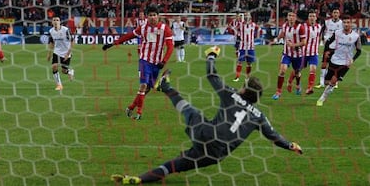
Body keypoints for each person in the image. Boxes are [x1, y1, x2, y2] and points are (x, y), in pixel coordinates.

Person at [110, 46, 303, 185]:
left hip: (206, 134)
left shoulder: (232, 95)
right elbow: (274, 136)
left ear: (245, 90)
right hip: (217, 154)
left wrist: (211, 55)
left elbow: (212, 76)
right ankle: (139, 179)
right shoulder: (259, 116)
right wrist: (290, 145)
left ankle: (165, 86)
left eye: (243, 86)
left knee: (189, 110)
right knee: (176, 165)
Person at [102, 4, 174, 120]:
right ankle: (139, 113)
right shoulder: (143, 27)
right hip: (144, 60)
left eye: (154, 15)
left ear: (158, 16)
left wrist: (164, 61)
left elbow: (170, 47)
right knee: (143, 85)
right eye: (150, 15)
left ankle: (131, 107)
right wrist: (113, 43)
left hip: (157, 63)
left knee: (148, 88)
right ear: (147, 17)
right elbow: (129, 36)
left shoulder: (165, 29)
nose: (152, 17)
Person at [316, 15, 361, 106]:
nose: (346, 24)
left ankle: (322, 99)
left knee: (333, 81)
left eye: (348, 22)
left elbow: (359, 51)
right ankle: (330, 87)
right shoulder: (337, 33)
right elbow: (328, 42)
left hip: (345, 63)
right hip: (334, 60)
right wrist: (327, 51)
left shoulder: (356, 36)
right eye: (344, 22)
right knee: (326, 82)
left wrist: (352, 60)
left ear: (351, 24)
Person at [271, 11, 306, 100]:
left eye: (293, 16)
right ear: (287, 17)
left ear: (296, 17)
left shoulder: (300, 27)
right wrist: (275, 40)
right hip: (287, 53)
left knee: (297, 72)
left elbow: (304, 42)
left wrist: (293, 45)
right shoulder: (285, 25)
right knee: (282, 70)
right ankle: (278, 92)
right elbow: (282, 34)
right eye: (289, 15)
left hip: (298, 55)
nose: (291, 17)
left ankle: (298, 84)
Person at [315, 8, 343, 89]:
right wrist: (321, 40)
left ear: (339, 14)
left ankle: (335, 82)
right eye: (334, 12)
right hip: (328, 45)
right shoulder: (327, 22)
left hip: (337, 46)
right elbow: (321, 32)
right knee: (324, 63)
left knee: (336, 65)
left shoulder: (342, 23)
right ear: (332, 14)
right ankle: (321, 82)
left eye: (337, 12)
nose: (335, 14)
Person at [46, 16, 75, 91]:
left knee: (64, 71)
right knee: (54, 66)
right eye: (54, 20)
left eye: (57, 20)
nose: (55, 21)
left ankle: (70, 71)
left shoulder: (65, 30)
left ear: (60, 22)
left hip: (66, 53)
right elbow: (51, 43)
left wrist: (68, 53)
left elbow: (72, 41)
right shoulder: (51, 31)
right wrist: (49, 54)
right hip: (57, 52)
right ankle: (59, 85)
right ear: (52, 22)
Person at [232, 12, 261, 82]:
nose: (246, 17)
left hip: (251, 47)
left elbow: (259, 29)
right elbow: (234, 28)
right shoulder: (241, 24)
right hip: (242, 46)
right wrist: (237, 34)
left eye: (248, 16)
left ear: (250, 18)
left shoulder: (253, 25)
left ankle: (247, 77)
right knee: (239, 61)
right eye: (245, 16)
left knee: (249, 63)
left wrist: (257, 36)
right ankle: (237, 77)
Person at [302, 10, 322, 94]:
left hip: (314, 53)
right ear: (308, 18)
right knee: (298, 70)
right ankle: (290, 81)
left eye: (313, 16)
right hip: (303, 53)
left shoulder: (319, 27)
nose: (312, 18)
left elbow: (320, 37)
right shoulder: (303, 27)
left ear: (316, 18)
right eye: (310, 16)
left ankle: (309, 88)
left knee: (313, 69)